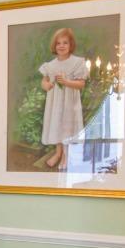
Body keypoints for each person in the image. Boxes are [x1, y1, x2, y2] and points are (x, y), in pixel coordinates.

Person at [38, 27, 88, 170]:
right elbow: (44, 81)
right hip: (55, 103)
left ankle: (66, 154)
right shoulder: (50, 65)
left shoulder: (77, 62)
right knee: (56, 125)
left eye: (65, 42)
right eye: (58, 43)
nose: (61, 46)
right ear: (54, 46)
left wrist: (66, 82)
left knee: (67, 126)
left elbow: (81, 84)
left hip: (69, 103)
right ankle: (58, 152)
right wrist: (46, 85)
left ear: (71, 45)